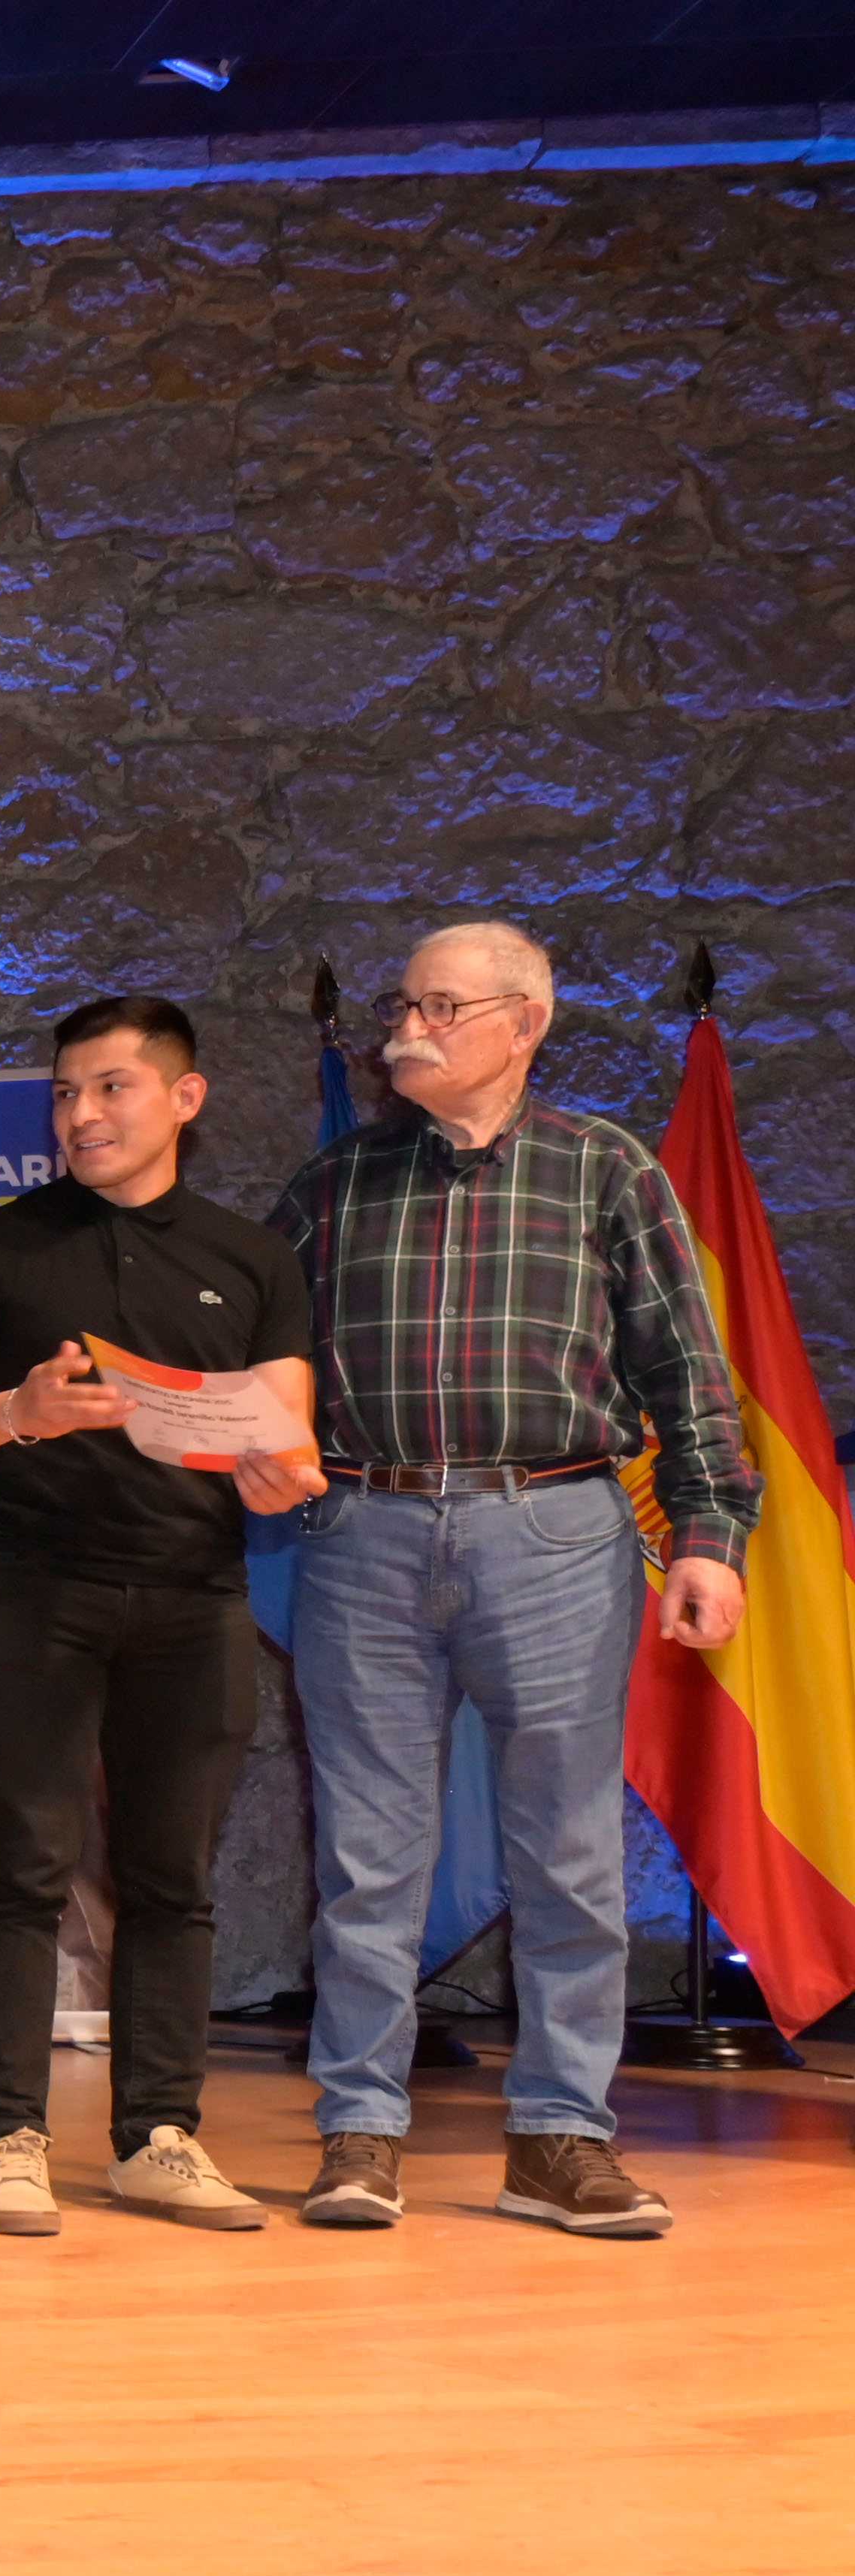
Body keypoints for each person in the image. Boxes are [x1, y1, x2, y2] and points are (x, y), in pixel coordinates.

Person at [272, 920, 755, 2237]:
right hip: (362, 1536)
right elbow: (270, 1371)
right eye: (399, 1005)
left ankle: (558, 2138)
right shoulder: (332, 1185)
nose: (402, 1031)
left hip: (555, 1536)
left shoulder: (607, 1171)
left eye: (438, 1007)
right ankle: (358, 2134)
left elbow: (689, 1376)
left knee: (569, 1854)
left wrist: (712, 1534)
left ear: (524, 1023)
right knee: (367, 1861)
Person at [0, 997, 322, 2236]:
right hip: (37, 1589)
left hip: (197, 1596)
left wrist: (280, 1471)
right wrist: (16, 1411)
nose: (81, 1115)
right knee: (24, 1867)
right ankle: (9, 2139)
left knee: (171, 1878)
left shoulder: (253, 1258)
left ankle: (158, 2137)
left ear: (185, 1098)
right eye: (66, 1094)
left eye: (112, 1089)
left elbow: (283, 1436)